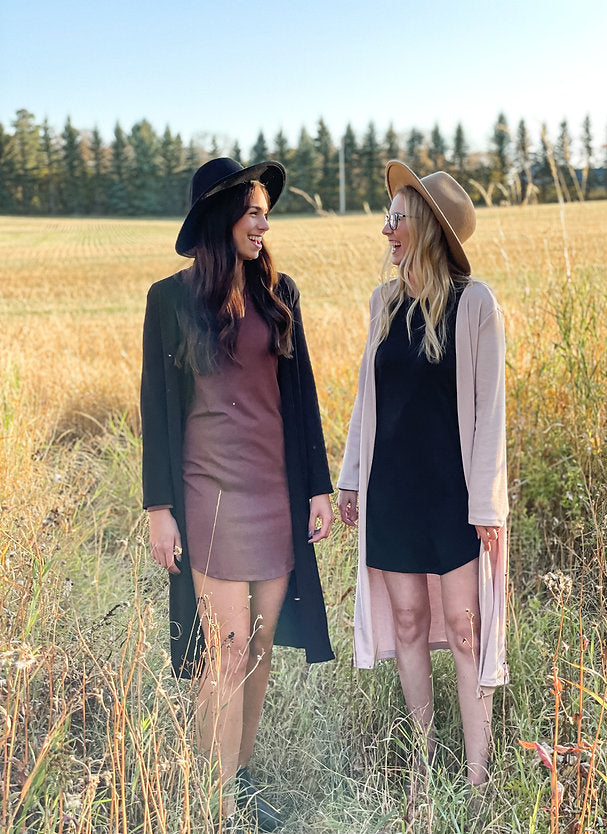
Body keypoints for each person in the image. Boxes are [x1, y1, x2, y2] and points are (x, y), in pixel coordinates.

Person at [141, 157, 334, 831]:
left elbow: (301, 397)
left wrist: (317, 489)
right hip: (208, 494)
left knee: (256, 647)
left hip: (273, 494)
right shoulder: (170, 300)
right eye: (253, 211)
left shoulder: (282, 293)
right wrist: (159, 508)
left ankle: (238, 778)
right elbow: (158, 407)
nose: (264, 222)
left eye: (265, 212)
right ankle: (214, 800)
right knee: (223, 651)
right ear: (224, 219)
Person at [337, 161, 508, 791]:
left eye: (396, 216)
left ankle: (479, 777)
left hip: (453, 496)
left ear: (427, 228)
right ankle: (425, 761)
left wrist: (487, 506)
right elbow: (366, 399)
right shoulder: (383, 303)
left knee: (465, 629)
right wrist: (351, 476)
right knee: (408, 620)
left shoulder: (475, 304)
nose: (386, 228)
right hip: (393, 491)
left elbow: (490, 408)